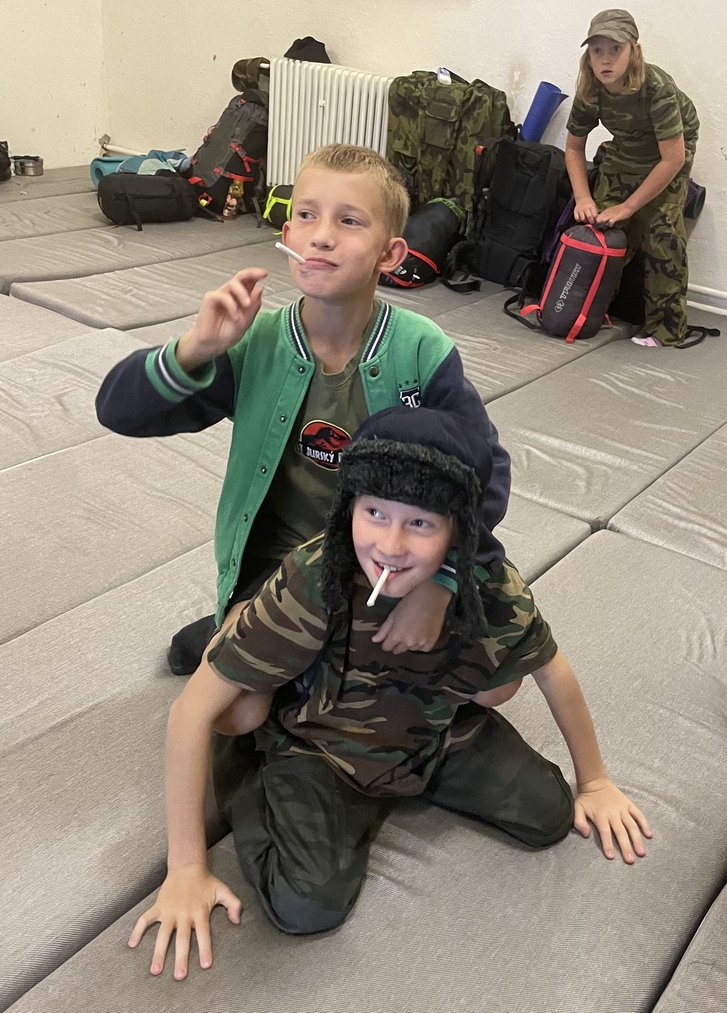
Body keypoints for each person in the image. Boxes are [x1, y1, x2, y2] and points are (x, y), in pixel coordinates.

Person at [127, 406, 653, 980]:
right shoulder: (315, 579)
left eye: (421, 524)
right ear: (349, 507)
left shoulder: (490, 588)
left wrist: (594, 781)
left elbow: (553, 670)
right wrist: (186, 869)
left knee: (549, 814)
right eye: (374, 513)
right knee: (305, 903)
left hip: (430, 734)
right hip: (322, 746)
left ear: (459, 532)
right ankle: (239, 689)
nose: (391, 544)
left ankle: (254, 652)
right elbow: (190, 713)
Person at [96, 144, 510, 671]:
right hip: (282, 568)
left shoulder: (420, 350)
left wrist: (440, 584)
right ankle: (247, 630)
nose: (322, 235)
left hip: (393, 560)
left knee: (495, 679)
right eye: (307, 216)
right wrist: (195, 349)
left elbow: (487, 473)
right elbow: (117, 411)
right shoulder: (257, 343)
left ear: (389, 254)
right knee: (244, 697)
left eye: (349, 221)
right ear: (288, 235)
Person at [564, 9, 699, 347]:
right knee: (600, 228)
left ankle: (666, 331)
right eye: (597, 50)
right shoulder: (591, 88)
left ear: (634, 51)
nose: (605, 59)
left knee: (661, 236)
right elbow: (574, 147)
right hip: (625, 149)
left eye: (616, 49)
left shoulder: (656, 88)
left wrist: (628, 206)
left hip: (670, 152)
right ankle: (588, 311)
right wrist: (583, 197)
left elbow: (673, 159)